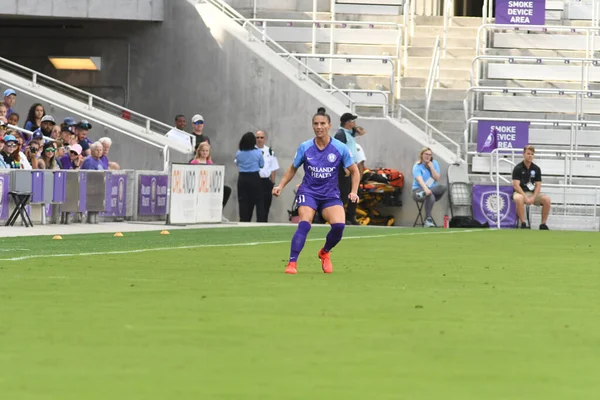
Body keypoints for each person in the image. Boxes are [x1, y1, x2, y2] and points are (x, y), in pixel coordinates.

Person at [272, 109, 359, 275]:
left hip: (330, 194)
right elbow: (293, 168)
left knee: (339, 226)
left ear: (329, 126)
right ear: (312, 126)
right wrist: (280, 186)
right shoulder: (305, 147)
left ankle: (325, 252)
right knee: (305, 223)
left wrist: (354, 191)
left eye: (322, 124)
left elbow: (355, 171)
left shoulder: (339, 148)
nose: (319, 127)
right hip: (309, 192)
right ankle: (292, 263)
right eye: (316, 124)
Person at [512, 145, 551, 230]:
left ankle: (543, 224)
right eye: (528, 153)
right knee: (519, 199)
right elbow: (516, 185)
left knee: (547, 200)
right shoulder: (518, 168)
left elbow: (538, 185)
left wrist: (533, 197)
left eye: (532, 154)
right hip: (520, 192)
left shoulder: (536, 169)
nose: (530, 156)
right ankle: (523, 223)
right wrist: (525, 197)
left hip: (533, 193)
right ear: (524, 154)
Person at [334, 112, 360, 225]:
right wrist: (345, 167)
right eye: (352, 121)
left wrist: (355, 128)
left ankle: (351, 215)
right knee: (344, 192)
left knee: (353, 191)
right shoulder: (341, 134)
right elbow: (339, 150)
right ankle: (341, 216)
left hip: (352, 165)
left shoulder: (350, 133)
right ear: (347, 123)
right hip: (345, 167)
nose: (354, 123)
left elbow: (362, 131)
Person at [412, 147, 447, 227]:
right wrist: (425, 190)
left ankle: (423, 193)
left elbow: (437, 178)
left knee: (443, 187)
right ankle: (428, 219)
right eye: (426, 154)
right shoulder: (417, 166)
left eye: (430, 155)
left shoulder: (434, 163)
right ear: (422, 155)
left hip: (431, 191)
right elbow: (420, 181)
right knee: (430, 195)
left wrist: (431, 167)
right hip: (418, 191)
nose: (428, 156)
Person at [235, 132, 264, 222]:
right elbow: (261, 165)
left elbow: (237, 163)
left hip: (242, 177)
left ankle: (244, 220)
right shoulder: (258, 153)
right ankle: (260, 220)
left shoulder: (239, 153)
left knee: (243, 200)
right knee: (258, 200)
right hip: (254, 177)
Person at [255, 130, 279, 222]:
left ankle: (264, 224)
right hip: (255, 180)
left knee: (266, 206)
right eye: (257, 137)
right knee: (258, 206)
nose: (259, 140)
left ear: (265, 139)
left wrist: (272, 182)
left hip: (266, 181)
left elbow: (273, 168)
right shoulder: (252, 150)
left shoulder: (269, 151)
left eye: (261, 137)